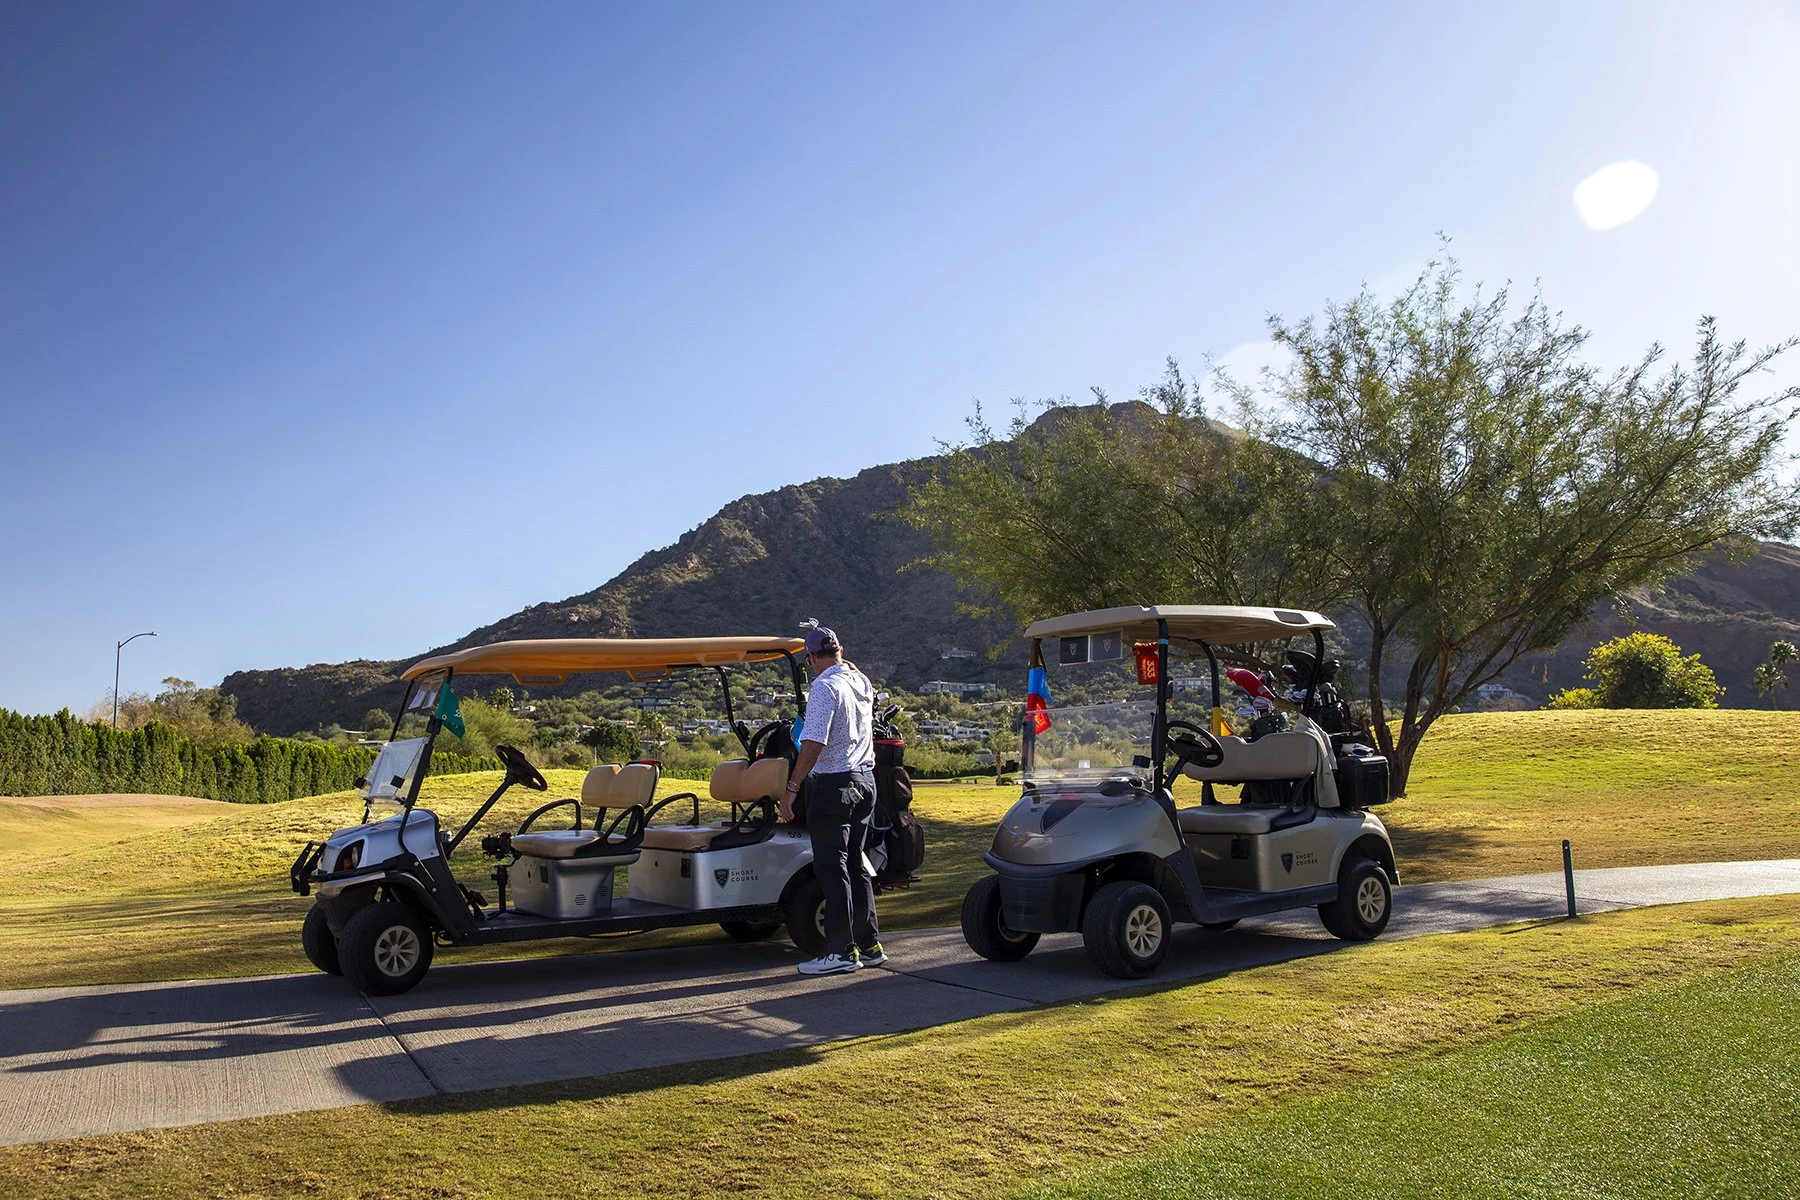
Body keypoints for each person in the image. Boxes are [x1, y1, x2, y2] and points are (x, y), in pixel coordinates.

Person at [780, 622, 884, 976]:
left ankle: (840, 950)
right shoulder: (860, 680)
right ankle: (869, 945)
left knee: (831, 865)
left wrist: (792, 788)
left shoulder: (824, 687)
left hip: (833, 783)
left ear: (810, 658)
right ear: (839, 651)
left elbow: (814, 743)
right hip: (865, 781)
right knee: (855, 862)